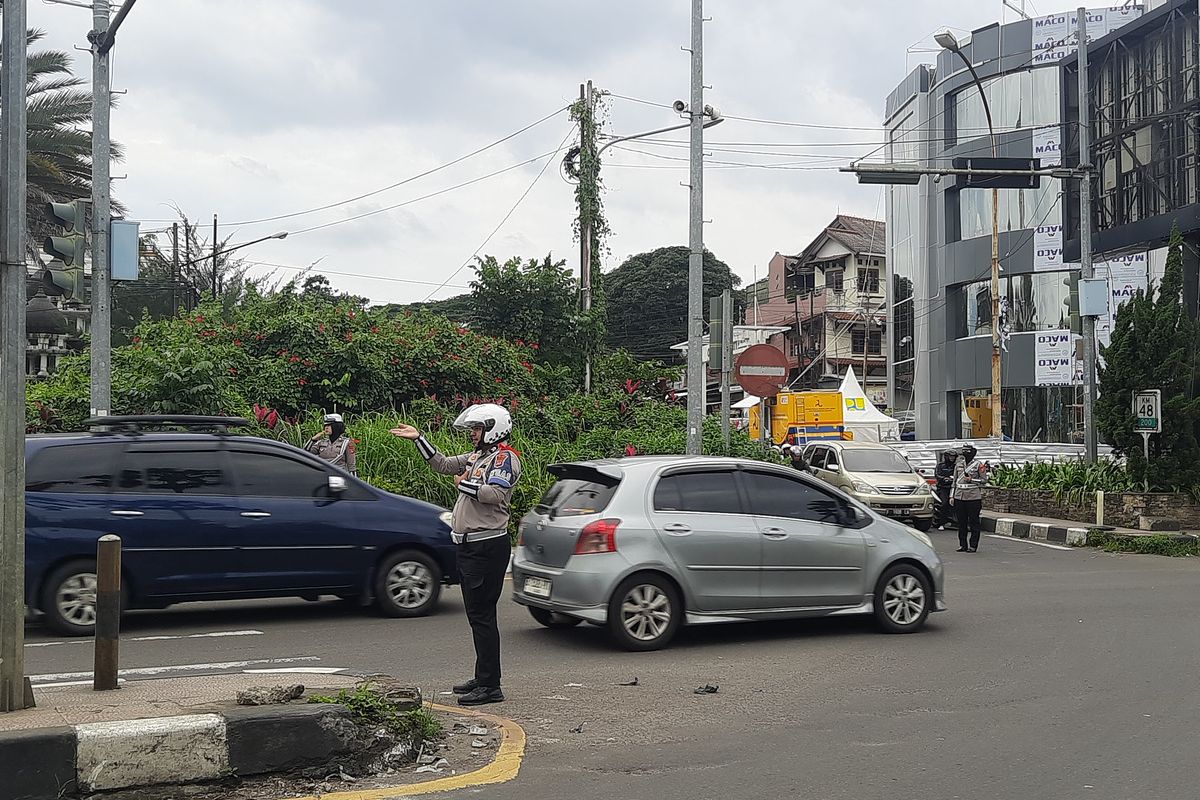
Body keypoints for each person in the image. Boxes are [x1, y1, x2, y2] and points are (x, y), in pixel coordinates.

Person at [389, 403, 520, 707]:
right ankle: (483, 676)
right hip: (469, 546)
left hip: (486, 547)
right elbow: (444, 464)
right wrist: (419, 439)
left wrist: (466, 484)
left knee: (482, 616)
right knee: (477, 617)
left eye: (478, 429)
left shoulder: (504, 459)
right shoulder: (478, 456)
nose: (473, 434)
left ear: (494, 429)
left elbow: (494, 495)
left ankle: (490, 685)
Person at [951, 443, 988, 552]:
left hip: (973, 497)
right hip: (959, 496)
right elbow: (954, 481)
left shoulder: (978, 465)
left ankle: (973, 545)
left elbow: (984, 481)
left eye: (967, 451)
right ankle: (963, 545)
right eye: (964, 451)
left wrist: (972, 480)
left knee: (974, 522)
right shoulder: (958, 464)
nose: (965, 453)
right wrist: (951, 496)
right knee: (961, 523)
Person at [934, 449, 958, 530]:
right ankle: (941, 523)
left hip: (953, 487)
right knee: (944, 504)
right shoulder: (940, 465)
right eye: (950, 456)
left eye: (953, 457)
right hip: (943, 488)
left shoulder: (956, 466)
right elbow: (937, 475)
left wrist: (954, 479)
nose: (952, 458)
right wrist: (944, 479)